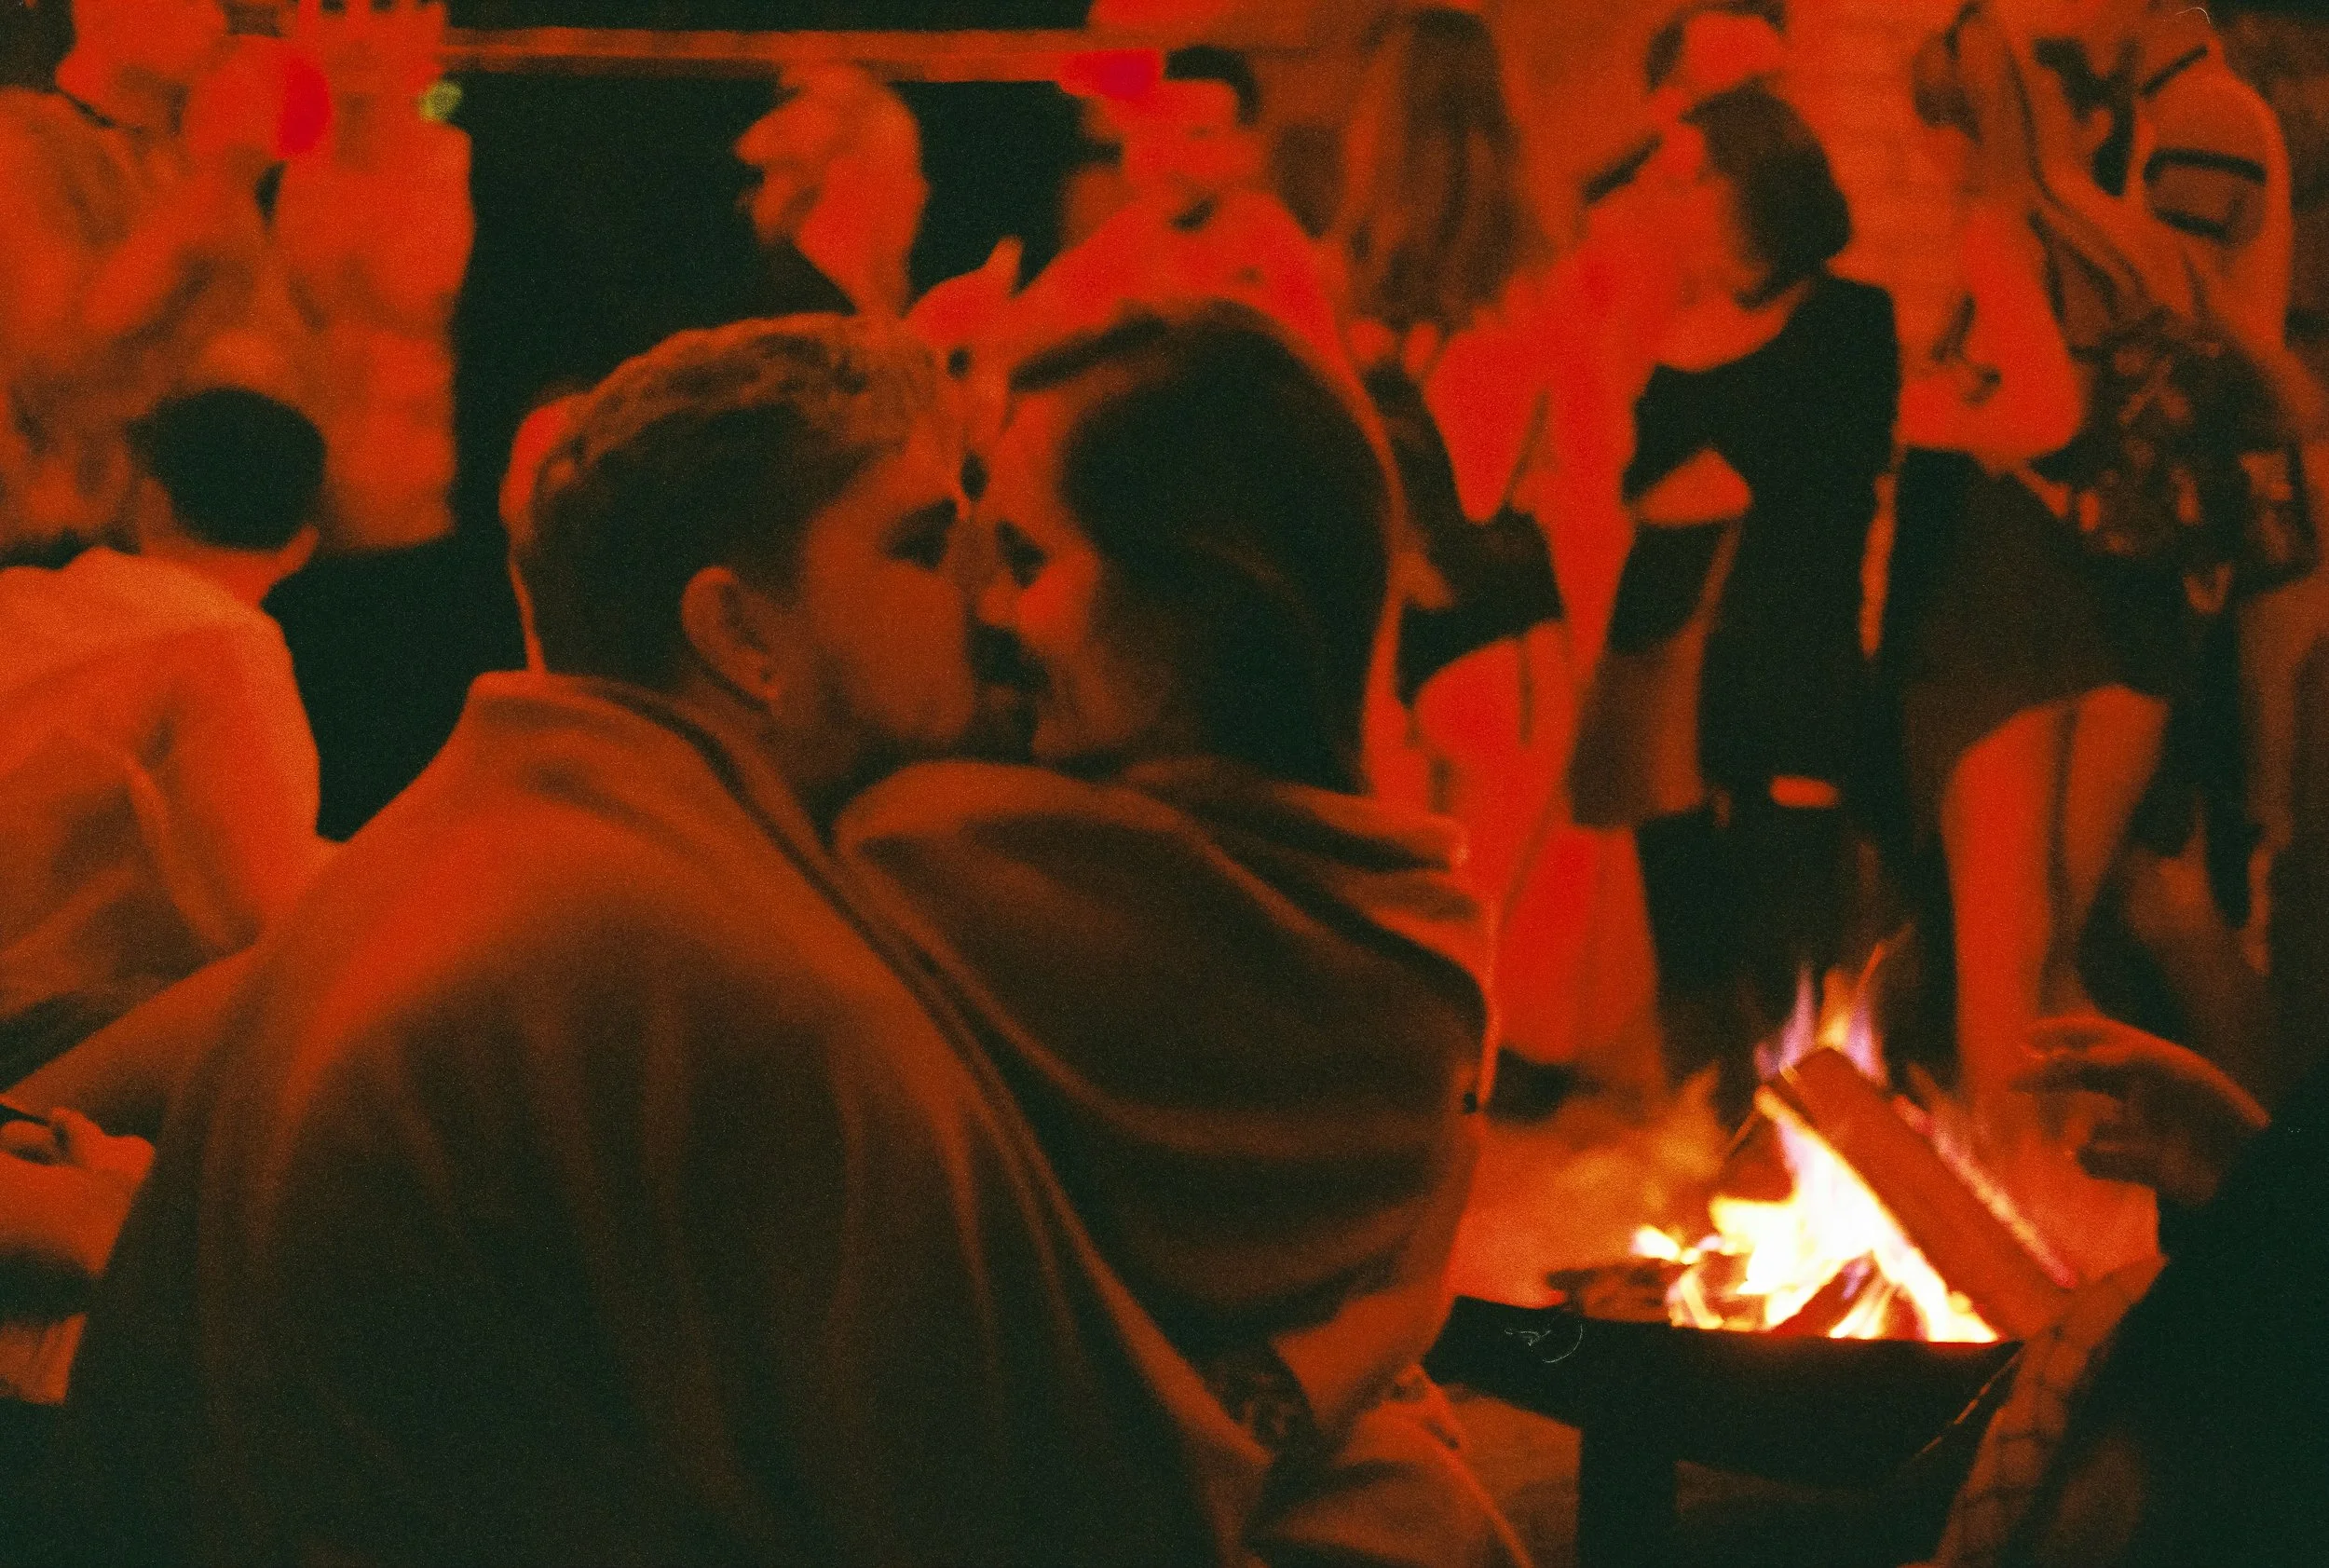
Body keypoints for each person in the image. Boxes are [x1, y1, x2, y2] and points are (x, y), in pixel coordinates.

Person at [30, 314, 1458, 1567]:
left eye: (1000, 539)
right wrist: (1343, 1383)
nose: (987, 600)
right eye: (928, 540)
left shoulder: (504, 824)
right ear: (741, 636)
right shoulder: (759, 982)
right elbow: (1076, 1524)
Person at [835, 305, 1525, 1563]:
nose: (984, 610)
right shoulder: (1421, 932)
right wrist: (1357, 1346)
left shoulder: (945, 860)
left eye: (1027, 559)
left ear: (1199, 602)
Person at [1888, 0, 2300, 1277]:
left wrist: (1921, 415)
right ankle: (2096, 1227)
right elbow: (2265, 379)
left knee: (2000, 958)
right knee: (2063, 939)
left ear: (1958, 130)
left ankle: (2005, 1252)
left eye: (1925, 138)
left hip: (2011, 605)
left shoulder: (2000, 230)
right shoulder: (2132, 234)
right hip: (2134, 606)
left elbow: (2048, 408)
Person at [1605, 84, 1899, 1102]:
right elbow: (1617, 475)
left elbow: (1719, 482)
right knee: (1684, 927)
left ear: (1754, 184)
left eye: (1689, 178)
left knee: (1790, 917)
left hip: (1786, 665)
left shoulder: (1849, 321)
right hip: (1662, 670)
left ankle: (1805, 1138)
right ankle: (1707, 1150)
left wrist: (1632, 497)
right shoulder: (1665, 327)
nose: (1667, 201)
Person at [0, 388, 331, 1086]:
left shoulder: (22, 599)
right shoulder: (219, 642)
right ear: (303, 545)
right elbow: (266, 919)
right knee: (304, 981)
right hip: (28, 1038)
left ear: (148, 501)